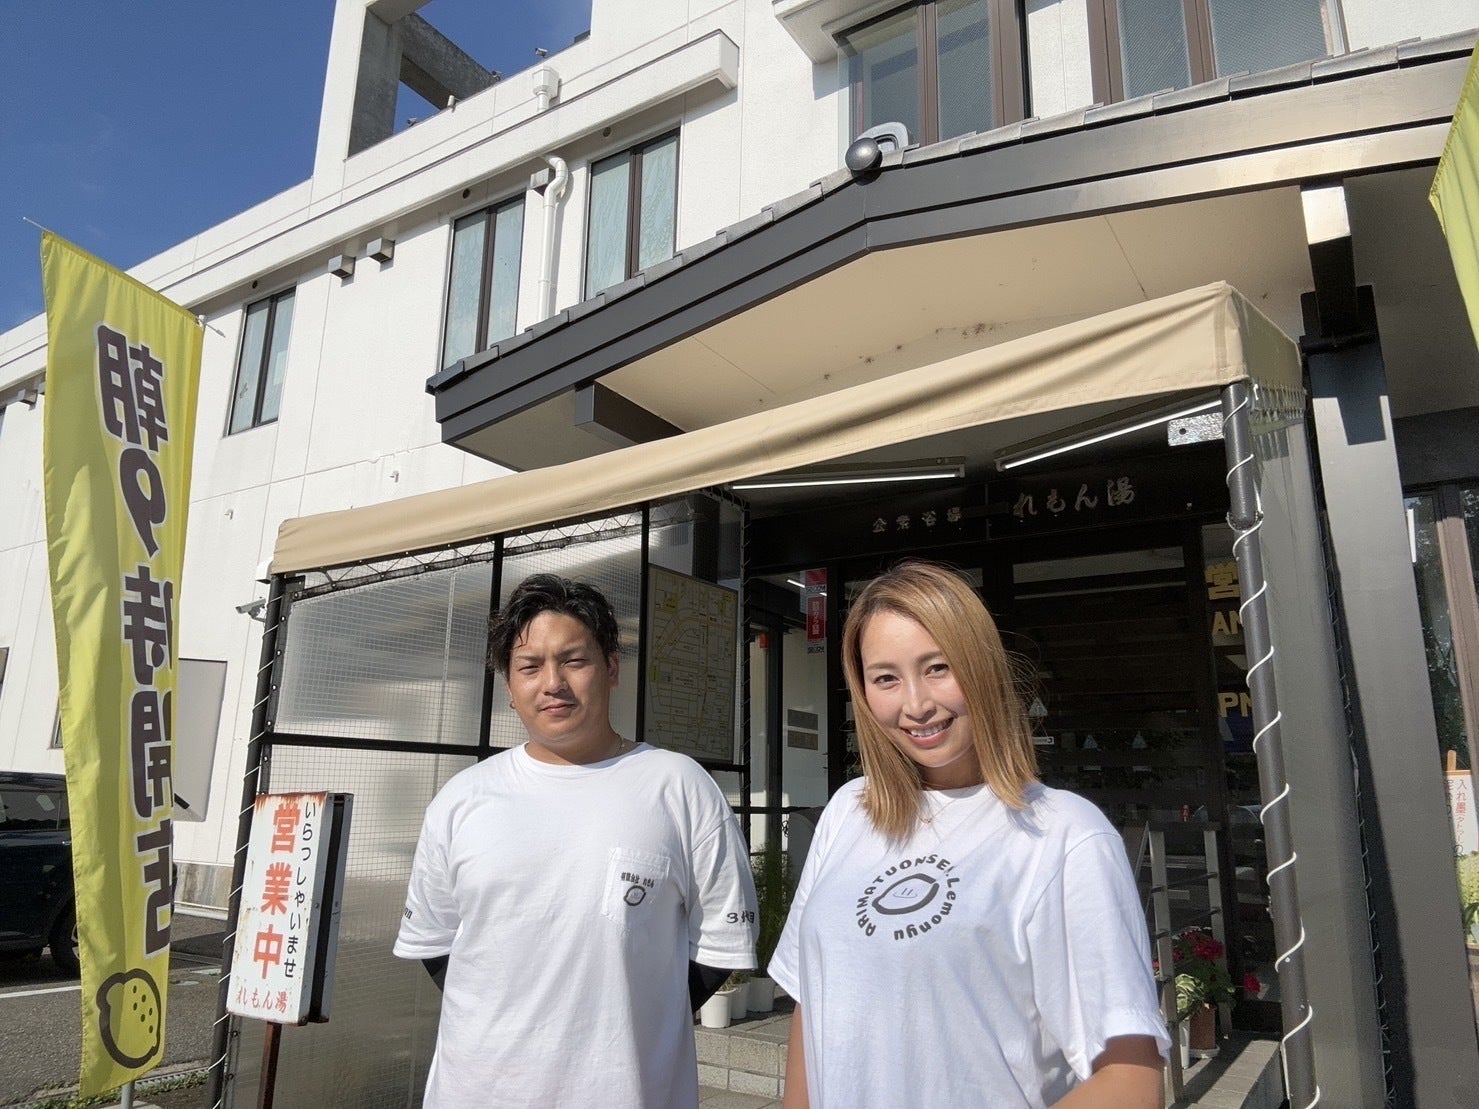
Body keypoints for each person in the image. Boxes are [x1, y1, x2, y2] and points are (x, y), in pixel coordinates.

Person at [769, 560, 1168, 1108]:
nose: (916, 705)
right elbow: (810, 1004)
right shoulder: (849, 811)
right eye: (886, 678)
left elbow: (1131, 1081)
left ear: (981, 666)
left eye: (938, 667)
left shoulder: (1065, 834)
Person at [395, 573, 757, 1108]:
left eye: (574, 660)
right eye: (529, 666)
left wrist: (626, 1021)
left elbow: (716, 948)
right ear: (509, 685)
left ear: (611, 668)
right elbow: (436, 943)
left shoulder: (679, 786)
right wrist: (513, 1020)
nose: (553, 683)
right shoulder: (462, 798)